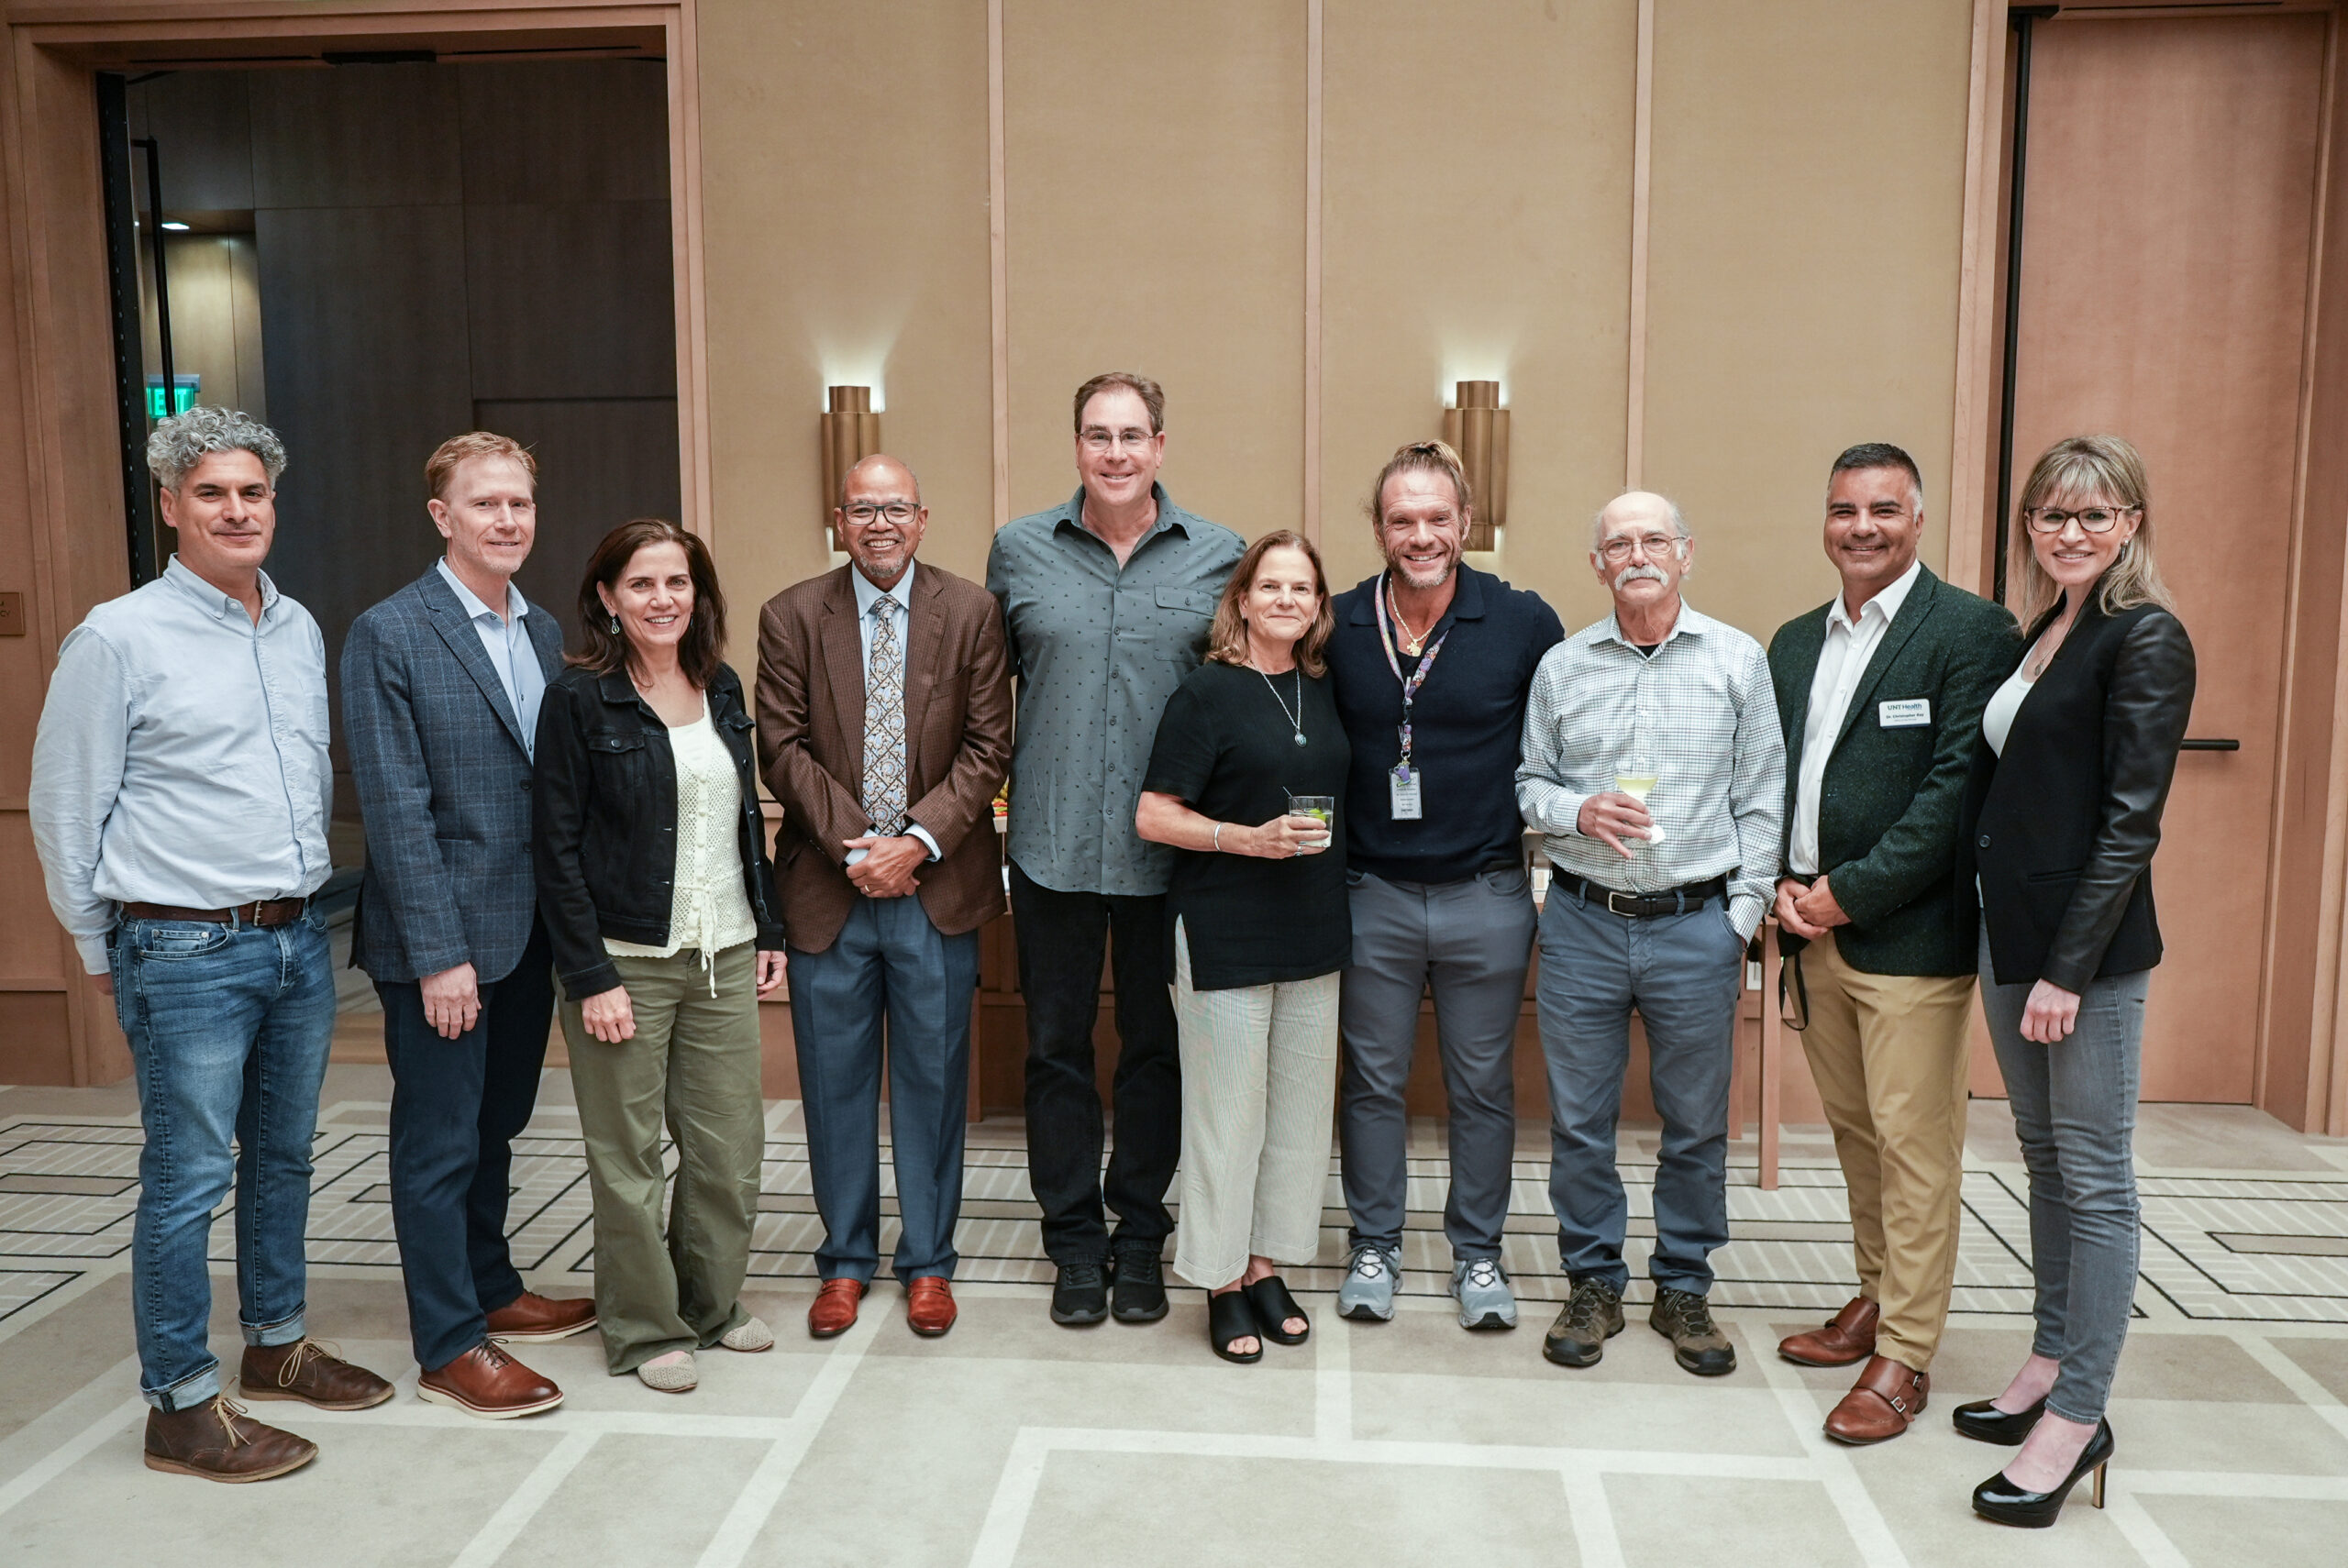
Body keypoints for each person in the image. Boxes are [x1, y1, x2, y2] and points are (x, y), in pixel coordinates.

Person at [28, 407, 391, 1482]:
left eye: (254, 493)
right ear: (170, 507)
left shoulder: (296, 625)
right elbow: (64, 808)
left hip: (294, 942)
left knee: (284, 1157)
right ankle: (180, 1405)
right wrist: (101, 948)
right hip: (182, 949)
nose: (238, 511)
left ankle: (274, 1344)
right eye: (212, 494)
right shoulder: (117, 637)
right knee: (188, 1173)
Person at [1955, 435, 2194, 1528]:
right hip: (2013, 940)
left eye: (2096, 516)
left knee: (2095, 1178)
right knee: (2043, 1159)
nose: (2072, 533)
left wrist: (2065, 969)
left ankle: (2082, 1414)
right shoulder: (2045, 631)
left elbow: (2128, 824)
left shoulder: (2144, 637)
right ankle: (2050, 1359)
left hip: (2080, 959)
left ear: (2132, 523)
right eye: (2053, 515)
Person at [1763, 444, 2019, 1442]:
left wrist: (1843, 896)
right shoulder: (1794, 641)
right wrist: (1786, 890)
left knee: (1917, 1151)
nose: (1859, 527)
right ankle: (1875, 1297)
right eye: (1841, 510)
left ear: (1917, 518)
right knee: (1857, 1137)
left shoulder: (1969, 630)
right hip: (1810, 936)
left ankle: (1905, 1354)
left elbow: (1952, 795)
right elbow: (1780, 777)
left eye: (1881, 509)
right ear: (1823, 521)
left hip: (1910, 940)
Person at [343, 432, 596, 1420]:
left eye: (520, 505)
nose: (507, 521)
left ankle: (492, 1283)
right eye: (485, 505)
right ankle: (450, 1341)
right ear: (442, 517)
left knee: (500, 1124)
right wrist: (440, 957)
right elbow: (396, 809)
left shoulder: (538, 632)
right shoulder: (390, 632)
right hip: (441, 945)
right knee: (438, 1139)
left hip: (527, 933)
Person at [987, 372, 1246, 1327]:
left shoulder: (1219, 555)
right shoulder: (1018, 550)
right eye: (1098, 435)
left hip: (1169, 857)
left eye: (1133, 435)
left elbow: (1241, 701)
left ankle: (1139, 1235)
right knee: (1054, 1050)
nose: (1116, 453)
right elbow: (986, 696)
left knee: (1156, 1051)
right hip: (1049, 845)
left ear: (1161, 446)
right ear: (1076, 446)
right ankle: (1072, 1244)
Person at [1517, 491, 1784, 1377]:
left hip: (1695, 924)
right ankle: (1594, 1281)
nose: (1637, 554)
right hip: (1585, 923)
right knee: (1581, 1121)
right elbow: (1528, 787)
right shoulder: (1561, 667)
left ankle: (1683, 1285)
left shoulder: (1738, 662)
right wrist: (1576, 810)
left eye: (1654, 539)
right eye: (1618, 542)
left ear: (1685, 553)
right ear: (1597, 564)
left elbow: (1762, 799)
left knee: (1697, 1123)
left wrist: (1739, 921)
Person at [756, 455, 1013, 1341]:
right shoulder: (791, 614)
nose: (879, 523)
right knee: (833, 1086)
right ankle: (846, 1260)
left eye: (895, 507)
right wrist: (860, 848)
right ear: (840, 519)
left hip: (936, 891)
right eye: (863, 509)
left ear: (923, 517)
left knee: (934, 1083)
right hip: (830, 893)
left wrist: (914, 844)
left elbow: (989, 744)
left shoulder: (972, 612)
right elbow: (782, 747)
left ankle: (930, 1261)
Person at [533, 519, 788, 1392]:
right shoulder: (576, 700)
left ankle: (709, 1305)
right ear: (606, 598)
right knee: (631, 1155)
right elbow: (555, 848)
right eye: (640, 585)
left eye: (676, 583)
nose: (661, 600)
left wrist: (770, 927)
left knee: (728, 1147)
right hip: (625, 959)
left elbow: (743, 820)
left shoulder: (719, 685)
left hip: (724, 949)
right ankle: (644, 1329)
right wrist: (590, 974)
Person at [1327, 440, 1564, 1331]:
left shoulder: (1522, 620)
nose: (1420, 535)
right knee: (1372, 1082)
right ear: (1379, 528)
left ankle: (1478, 1257)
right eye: (1401, 520)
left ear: (1466, 522)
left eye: (1436, 518)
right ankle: (1374, 1244)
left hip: (1486, 895)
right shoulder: (1341, 622)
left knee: (1481, 1086)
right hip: (1370, 894)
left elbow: (1563, 737)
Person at [1136, 531, 1351, 1363]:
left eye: (1304, 589)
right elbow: (1155, 814)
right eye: (1272, 587)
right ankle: (1220, 1279)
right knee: (1227, 1119)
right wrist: (1240, 838)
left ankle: (1265, 1264)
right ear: (1242, 599)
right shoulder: (1206, 694)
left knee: (1297, 1118)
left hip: (1313, 929)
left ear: (1319, 607)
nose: (1288, 601)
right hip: (1223, 929)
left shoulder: (1324, 691)